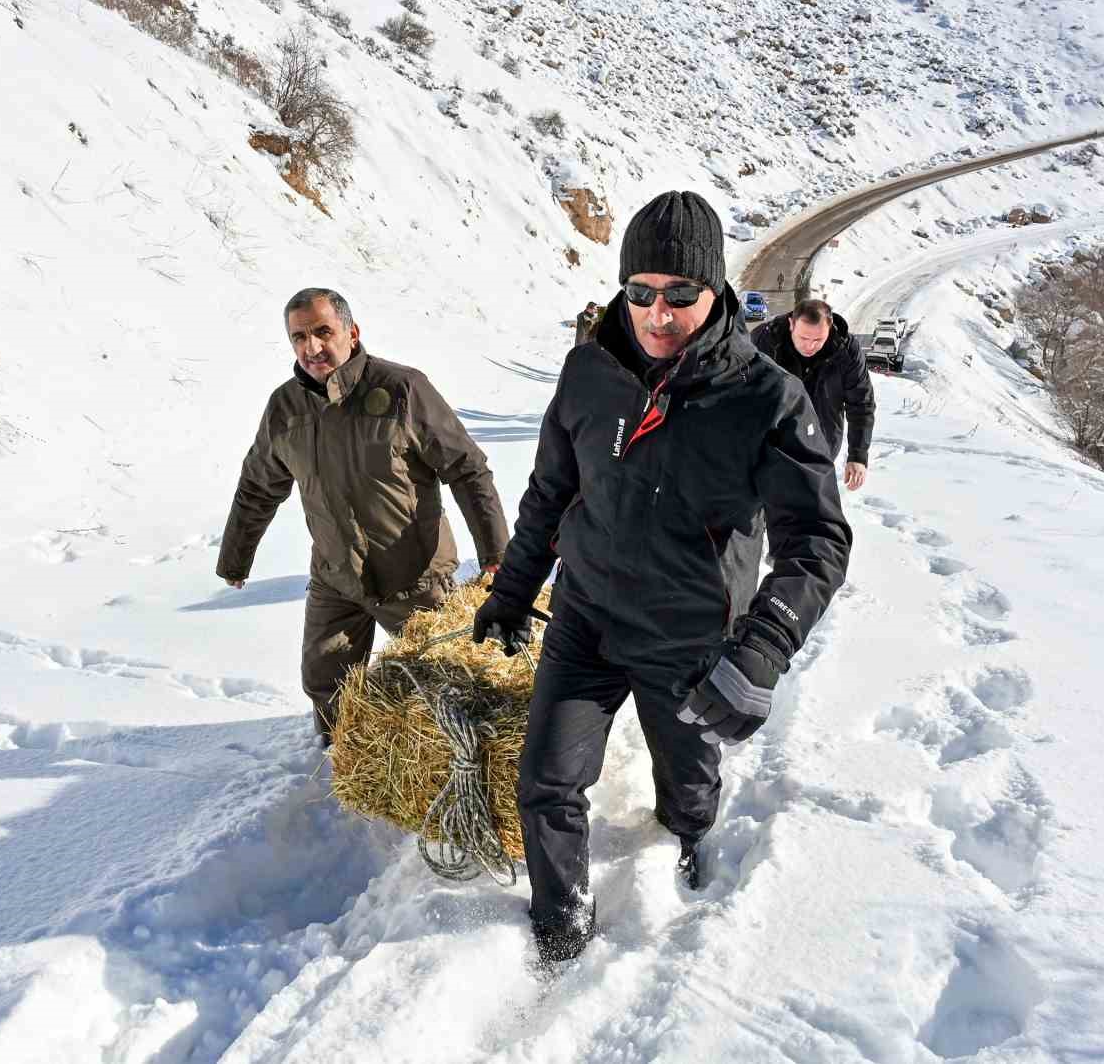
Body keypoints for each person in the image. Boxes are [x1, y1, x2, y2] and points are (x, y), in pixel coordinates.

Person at [472, 192, 852, 964]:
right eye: (639, 292)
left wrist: (761, 649)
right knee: (545, 782)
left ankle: (689, 834)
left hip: (690, 639)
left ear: (715, 291)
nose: (658, 313)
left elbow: (816, 539)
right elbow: (551, 492)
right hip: (585, 619)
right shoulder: (587, 372)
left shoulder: (768, 399)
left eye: (681, 294)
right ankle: (559, 933)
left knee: (687, 790)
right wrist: (513, 591)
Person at [217, 288, 511, 743]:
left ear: (351, 333)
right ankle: (348, 764)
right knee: (324, 682)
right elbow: (258, 485)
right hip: (336, 576)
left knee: (448, 684)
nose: (312, 347)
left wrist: (495, 552)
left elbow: (466, 468)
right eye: (299, 337)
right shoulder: (285, 408)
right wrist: (235, 559)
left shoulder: (402, 388)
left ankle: (455, 766)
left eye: (322, 332)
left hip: (414, 576)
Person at [750, 299, 876, 491]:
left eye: (818, 340)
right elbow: (743, 393)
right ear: (792, 324)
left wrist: (858, 456)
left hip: (821, 445)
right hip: (771, 444)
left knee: (808, 507)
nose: (809, 346)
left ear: (830, 328)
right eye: (803, 338)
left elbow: (861, 403)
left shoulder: (846, 351)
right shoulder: (764, 340)